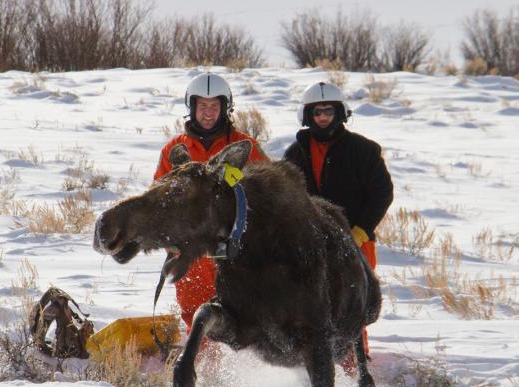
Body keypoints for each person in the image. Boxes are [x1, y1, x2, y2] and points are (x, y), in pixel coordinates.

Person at [282, 81, 393, 357]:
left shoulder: (364, 150)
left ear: (340, 113)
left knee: (352, 306)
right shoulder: (294, 154)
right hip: (310, 246)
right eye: (317, 112)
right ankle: (313, 363)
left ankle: (356, 364)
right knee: (308, 305)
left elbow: (382, 193)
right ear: (307, 115)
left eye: (329, 111)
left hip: (356, 242)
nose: (322, 117)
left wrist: (362, 230)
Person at [154, 72, 268, 329]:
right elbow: (158, 201)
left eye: (214, 106)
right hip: (189, 251)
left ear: (225, 108)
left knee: (243, 314)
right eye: (202, 106)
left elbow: (268, 192)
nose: (208, 112)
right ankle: (202, 367)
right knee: (195, 313)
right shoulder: (173, 150)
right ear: (191, 107)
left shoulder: (245, 146)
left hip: (235, 251)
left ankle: (246, 368)